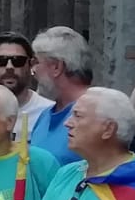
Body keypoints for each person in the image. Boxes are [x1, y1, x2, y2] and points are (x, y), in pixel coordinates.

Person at [29, 26, 92, 163]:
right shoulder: (45, 115)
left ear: (57, 67)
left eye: (36, 62)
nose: (33, 71)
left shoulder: (94, 112)